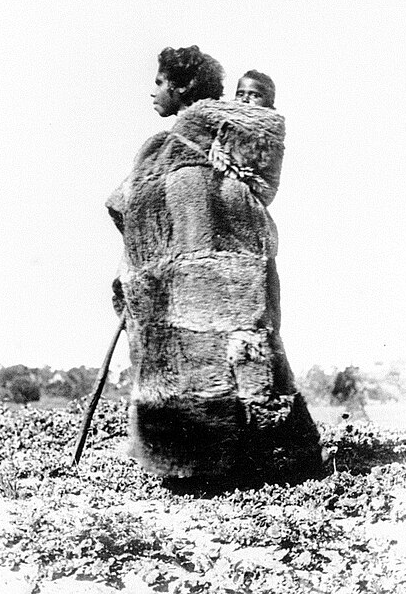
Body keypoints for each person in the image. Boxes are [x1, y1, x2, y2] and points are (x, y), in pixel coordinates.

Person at [107, 46, 321, 488]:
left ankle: (213, 466)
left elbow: (125, 207)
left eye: (160, 82)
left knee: (210, 370)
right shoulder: (182, 145)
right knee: (237, 368)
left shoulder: (193, 142)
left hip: (198, 286)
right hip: (212, 286)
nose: (154, 91)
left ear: (181, 86)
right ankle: (265, 457)